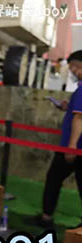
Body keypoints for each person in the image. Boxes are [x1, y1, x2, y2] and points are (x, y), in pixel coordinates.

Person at [36, 50, 82, 230]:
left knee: (53, 179)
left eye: (74, 67)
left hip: (73, 148)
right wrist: (67, 107)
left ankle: (46, 218)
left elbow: (79, 118)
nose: (72, 71)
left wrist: (71, 146)